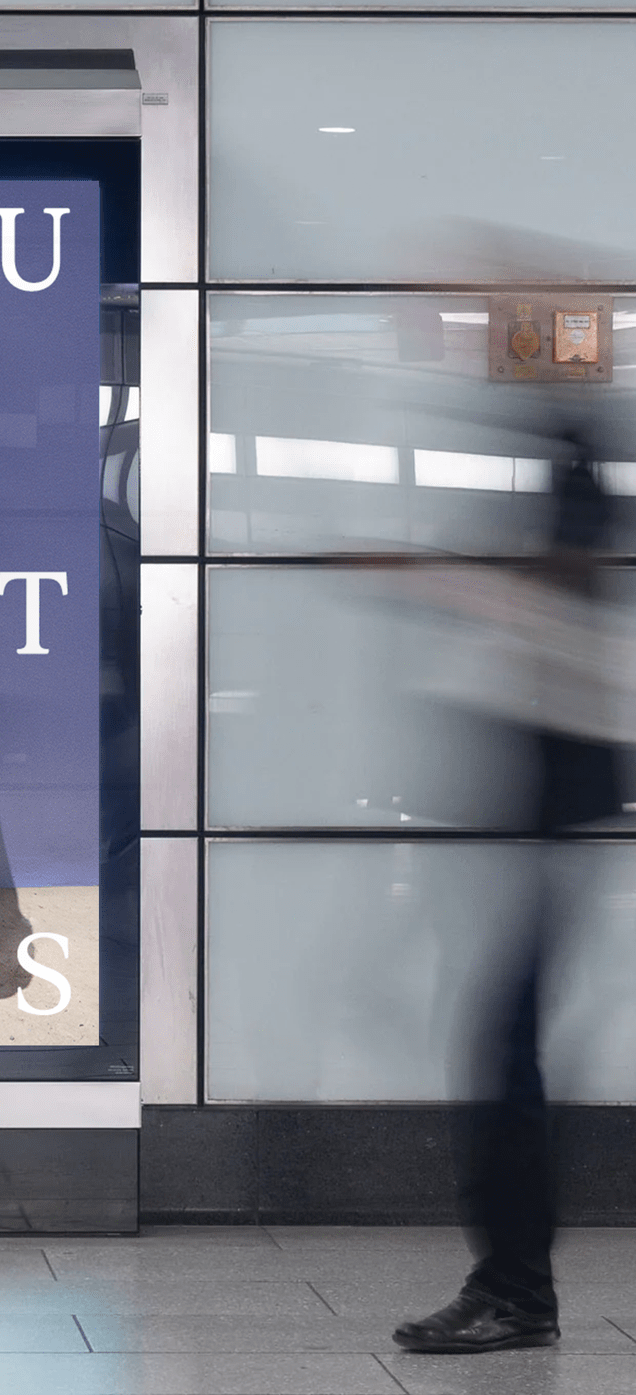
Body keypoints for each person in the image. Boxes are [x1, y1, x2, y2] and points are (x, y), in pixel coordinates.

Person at [393, 426, 620, 1353]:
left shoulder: (582, 480)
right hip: (534, 836)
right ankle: (513, 1286)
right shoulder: (571, 472)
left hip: (549, 837)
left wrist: (444, 579)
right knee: (501, 1062)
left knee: (505, 1067)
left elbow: (562, 590)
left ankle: (517, 1291)